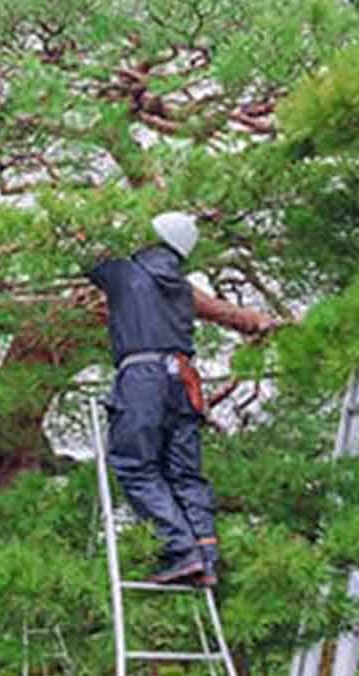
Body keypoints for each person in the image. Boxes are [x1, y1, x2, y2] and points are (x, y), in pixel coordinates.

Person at [88, 211, 220, 586]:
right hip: (183, 380)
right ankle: (206, 556)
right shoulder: (182, 288)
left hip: (143, 378)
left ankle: (181, 549)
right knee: (185, 473)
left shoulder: (128, 272)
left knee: (134, 465)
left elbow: (86, 255)